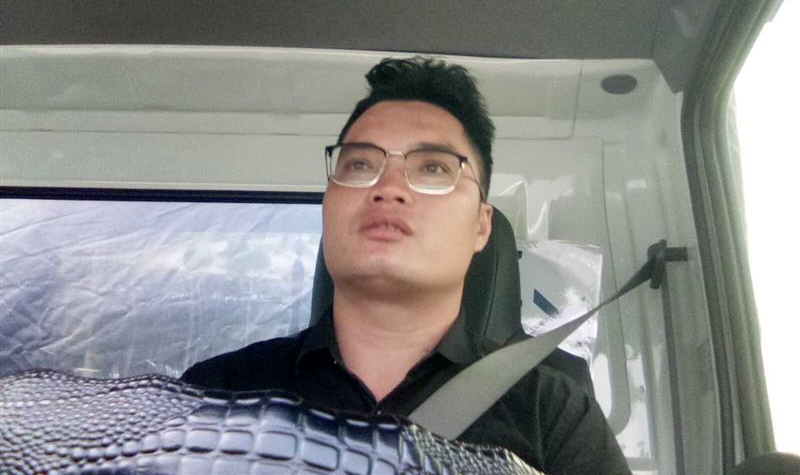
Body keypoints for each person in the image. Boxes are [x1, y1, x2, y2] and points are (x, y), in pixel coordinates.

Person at [182, 57, 631, 474]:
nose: (389, 187)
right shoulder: (215, 394)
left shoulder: (552, 414)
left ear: (481, 226)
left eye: (434, 168)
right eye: (360, 164)